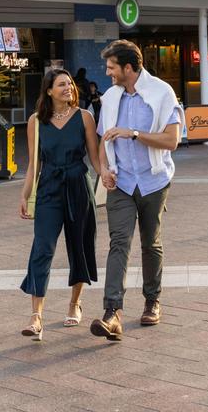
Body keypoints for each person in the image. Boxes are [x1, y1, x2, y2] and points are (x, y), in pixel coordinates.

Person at [90, 39, 181, 342]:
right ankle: (112, 311)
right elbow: (104, 139)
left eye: (112, 66)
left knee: (150, 244)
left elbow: (171, 141)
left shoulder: (161, 93)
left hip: (154, 181)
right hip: (122, 182)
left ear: (128, 67)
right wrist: (103, 169)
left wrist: (135, 134)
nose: (108, 72)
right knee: (119, 243)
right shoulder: (111, 97)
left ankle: (152, 300)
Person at [18, 69, 103, 341]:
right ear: (49, 91)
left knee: (79, 246)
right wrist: (24, 194)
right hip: (49, 188)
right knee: (42, 247)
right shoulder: (36, 121)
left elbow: (95, 159)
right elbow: (34, 164)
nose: (68, 87)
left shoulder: (85, 117)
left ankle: (74, 303)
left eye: (69, 84)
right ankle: (36, 316)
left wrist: (109, 176)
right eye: (61, 84)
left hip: (79, 185)